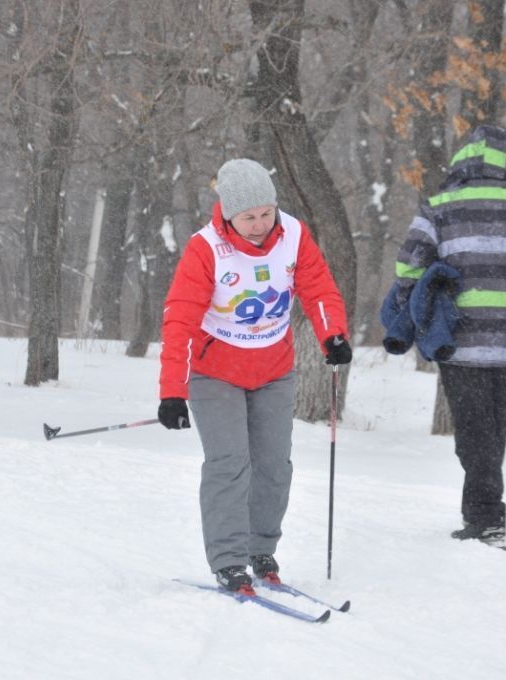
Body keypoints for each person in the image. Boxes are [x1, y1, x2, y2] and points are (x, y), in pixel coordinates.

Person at [158, 158, 352, 591]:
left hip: (273, 370)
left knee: (274, 466)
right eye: (249, 217)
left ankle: (260, 549)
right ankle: (228, 559)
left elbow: (318, 287)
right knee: (229, 464)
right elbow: (180, 320)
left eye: (267, 213)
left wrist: (333, 335)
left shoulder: (294, 235)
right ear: (228, 212)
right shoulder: (204, 249)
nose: (261, 224)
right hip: (215, 373)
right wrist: (173, 391)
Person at [382, 125, 506, 548]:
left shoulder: (440, 206)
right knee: (494, 428)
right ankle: (484, 513)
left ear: (464, 160)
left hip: (458, 339)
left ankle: (485, 519)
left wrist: (418, 300)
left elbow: (409, 265)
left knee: (473, 431)